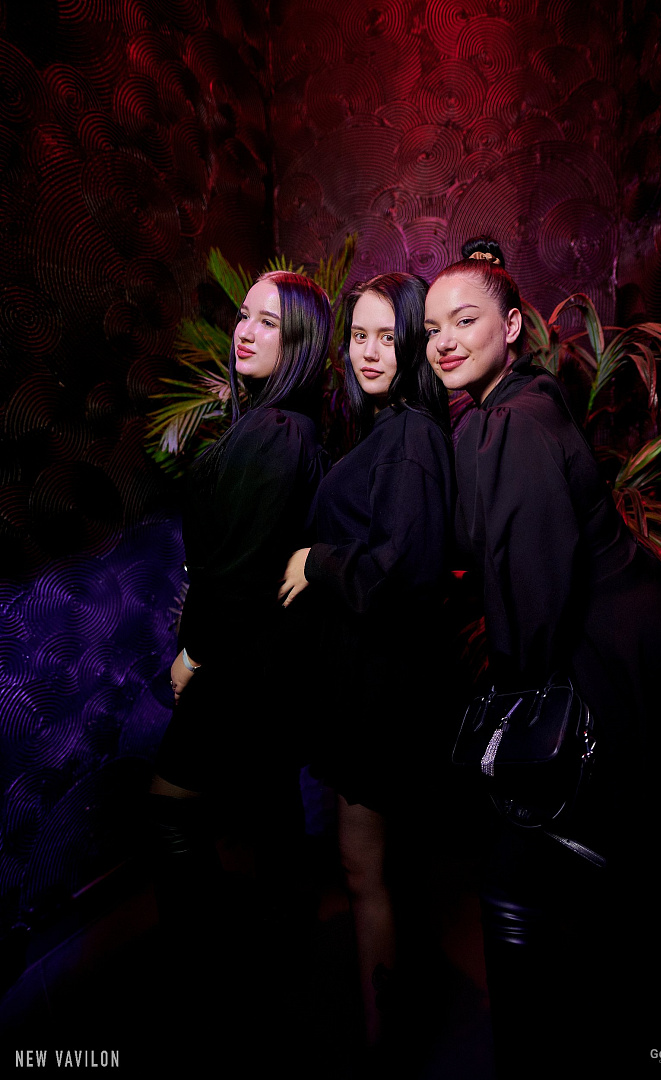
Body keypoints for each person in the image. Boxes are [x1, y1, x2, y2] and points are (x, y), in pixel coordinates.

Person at [424, 237, 661, 1078]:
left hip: (601, 654)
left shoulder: (514, 422)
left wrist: (513, 726)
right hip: (625, 641)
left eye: (464, 320)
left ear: (512, 326)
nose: (444, 341)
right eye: (432, 327)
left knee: (528, 875)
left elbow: (535, 595)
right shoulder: (508, 407)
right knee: (609, 870)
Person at [147, 271, 332, 1058]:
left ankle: (213, 979)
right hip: (262, 665)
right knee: (270, 819)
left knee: (171, 807)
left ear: (301, 344)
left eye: (270, 323)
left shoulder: (278, 431)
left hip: (239, 664)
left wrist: (192, 656)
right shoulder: (279, 423)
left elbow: (243, 573)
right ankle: (273, 985)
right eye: (244, 316)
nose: (246, 331)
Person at [279, 273, 456, 1055]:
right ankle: (400, 1021)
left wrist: (315, 561)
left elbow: (404, 572)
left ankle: (387, 1047)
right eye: (358, 336)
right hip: (371, 680)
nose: (369, 352)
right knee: (380, 869)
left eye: (388, 336)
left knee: (364, 869)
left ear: (412, 342)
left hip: (384, 689)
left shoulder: (411, 433)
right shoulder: (388, 425)